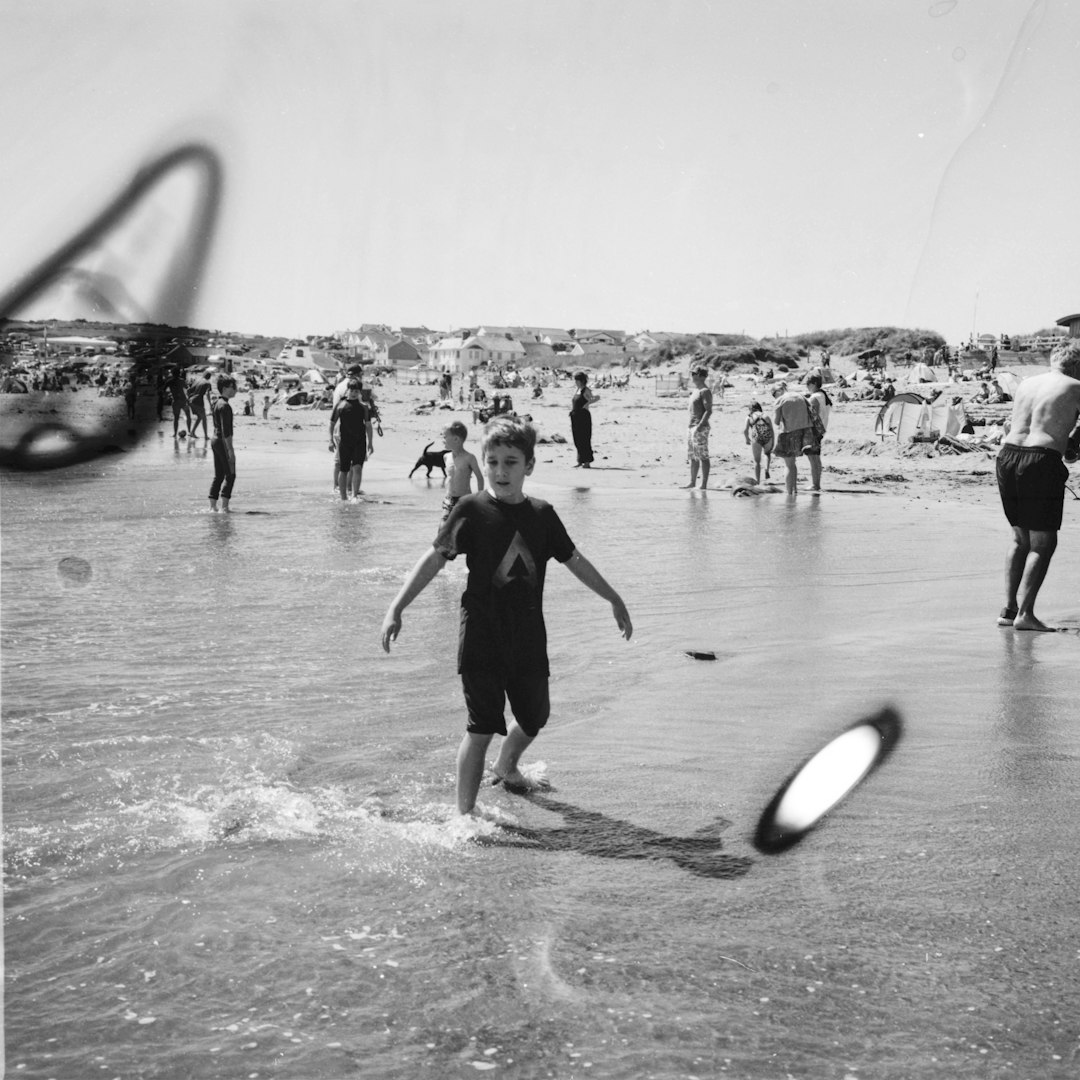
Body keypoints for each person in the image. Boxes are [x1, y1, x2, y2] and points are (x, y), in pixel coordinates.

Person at [380, 415, 633, 816]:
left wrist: (613, 598)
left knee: (536, 715)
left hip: (528, 636)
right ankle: (463, 817)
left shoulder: (543, 514)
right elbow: (434, 559)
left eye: (511, 462)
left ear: (529, 466)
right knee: (480, 727)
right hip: (481, 635)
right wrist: (397, 606)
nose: (500, 471)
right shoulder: (470, 509)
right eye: (493, 461)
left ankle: (507, 765)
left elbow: (574, 559)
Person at [995, 341, 1080, 631]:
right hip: (1040, 462)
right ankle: (1026, 616)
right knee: (1044, 542)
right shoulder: (1076, 385)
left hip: (1007, 456)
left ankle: (1009, 610)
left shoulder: (1028, 383)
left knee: (1020, 538)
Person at [329, 379, 372, 500]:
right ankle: (343, 498)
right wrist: (330, 440)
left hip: (360, 442)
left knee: (357, 467)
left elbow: (368, 425)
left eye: (356, 391)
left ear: (359, 392)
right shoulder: (340, 405)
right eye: (352, 390)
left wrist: (370, 443)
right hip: (345, 442)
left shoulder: (364, 407)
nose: (353, 393)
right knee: (344, 469)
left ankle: (354, 496)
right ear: (348, 390)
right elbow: (331, 424)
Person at [440, 420, 485, 522]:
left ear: (456, 439)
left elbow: (480, 478)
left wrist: (480, 498)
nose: (443, 440)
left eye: (445, 437)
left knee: (464, 527)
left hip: (464, 499)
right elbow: (450, 478)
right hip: (449, 499)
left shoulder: (469, 458)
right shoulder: (446, 457)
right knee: (443, 528)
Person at [773, 387, 814, 495]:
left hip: (788, 432)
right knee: (793, 463)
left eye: (774, 395)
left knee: (788, 464)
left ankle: (789, 493)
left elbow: (776, 422)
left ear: (777, 392)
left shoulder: (780, 400)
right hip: (803, 432)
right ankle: (795, 490)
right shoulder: (800, 396)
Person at [209, 374, 238, 511]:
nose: (236, 390)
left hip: (214, 440)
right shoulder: (225, 406)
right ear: (226, 388)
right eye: (234, 387)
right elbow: (226, 431)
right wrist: (230, 450)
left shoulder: (216, 403)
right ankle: (224, 508)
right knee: (230, 475)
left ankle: (212, 507)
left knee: (219, 475)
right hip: (222, 442)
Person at [684, 366, 713, 489]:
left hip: (700, 427)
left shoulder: (705, 391)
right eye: (692, 374)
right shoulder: (696, 390)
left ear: (702, 376)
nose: (693, 376)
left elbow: (708, 410)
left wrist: (700, 426)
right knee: (693, 456)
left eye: (695, 374)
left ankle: (704, 484)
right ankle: (692, 482)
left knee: (702, 456)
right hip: (691, 426)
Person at [805, 373, 832, 492]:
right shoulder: (823, 395)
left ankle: (815, 485)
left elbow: (812, 415)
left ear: (814, 384)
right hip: (821, 430)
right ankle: (816, 483)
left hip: (813, 430)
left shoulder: (815, 397)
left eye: (808, 384)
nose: (806, 386)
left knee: (813, 458)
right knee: (815, 458)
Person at [569, 370, 598, 468]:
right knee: (577, 439)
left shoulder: (586, 390)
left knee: (584, 439)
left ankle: (587, 462)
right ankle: (580, 460)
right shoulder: (577, 390)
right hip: (575, 416)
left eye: (577, 380)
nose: (576, 382)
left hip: (583, 417)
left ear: (581, 381)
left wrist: (587, 404)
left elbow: (596, 397)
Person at [743, 401, 774, 483]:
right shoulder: (766, 416)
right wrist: (773, 441)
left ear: (750, 409)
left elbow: (745, 430)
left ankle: (758, 480)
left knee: (757, 461)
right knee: (767, 454)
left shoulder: (749, 417)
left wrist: (747, 439)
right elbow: (772, 430)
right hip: (768, 436)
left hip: (756, 438)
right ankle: (767, 469)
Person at [187, 369, 214, 439]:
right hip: (198, 401)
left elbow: (188, 390)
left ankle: (192, 432)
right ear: (209, 377)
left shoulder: (197, 381)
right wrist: (210, 404)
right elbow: (207, 394)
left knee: (200, 417)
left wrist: (189, 398)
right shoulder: (207, 383)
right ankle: (206, 436)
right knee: (204, 418)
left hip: (191, 401)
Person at [166, 367, 192, 438]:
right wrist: (189, 397)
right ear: (179, 373)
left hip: (176, 402)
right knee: (188, 416)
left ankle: (175, 434)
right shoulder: (181, 380)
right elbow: (188, 388)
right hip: (183, 401)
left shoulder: (169, 381)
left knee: (176, 418)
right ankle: (189, 432)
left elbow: (163, 389)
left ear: (172, 373)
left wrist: (169, 395)